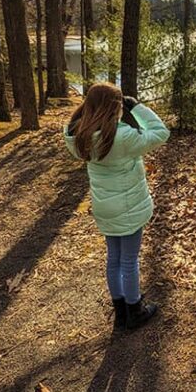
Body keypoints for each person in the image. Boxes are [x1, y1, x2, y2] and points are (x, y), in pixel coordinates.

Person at [63, 82, 170, 331]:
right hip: (129, 208)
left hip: (104, 207)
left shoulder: (79, 136)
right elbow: (160, 132)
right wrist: (138, 108)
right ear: (116, 108)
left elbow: (78, 121)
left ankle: (120, 311)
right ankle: (135, 310)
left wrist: (86, 108)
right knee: (129, 261)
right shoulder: (122, 137)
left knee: (114, 259)